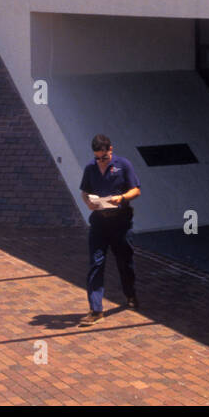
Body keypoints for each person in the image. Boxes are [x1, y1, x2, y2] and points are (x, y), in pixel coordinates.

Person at [77, 134, 141, 326]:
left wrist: (121, 198)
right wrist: (88, 202)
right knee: (96, 263)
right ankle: (96, 310)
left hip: (120, 223)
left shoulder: (124, 165)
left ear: (111, 150)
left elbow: (136, 190)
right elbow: (84, 192)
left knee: (124, 262)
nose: (101, 161)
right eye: (97, 157)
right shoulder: (90, 168)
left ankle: (130, 295)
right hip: (99, 223)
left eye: (104, 157)